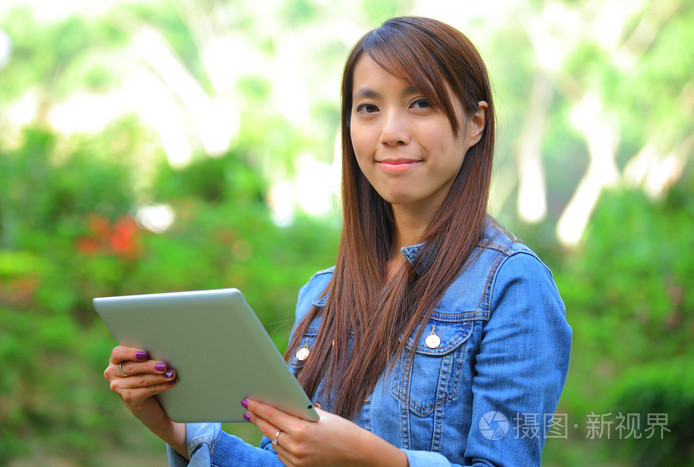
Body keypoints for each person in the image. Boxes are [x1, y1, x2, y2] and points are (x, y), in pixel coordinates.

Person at [105, 16, 572, 466]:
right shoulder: (323, 294)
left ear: (475, 123)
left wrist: (375, 460)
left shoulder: (512, 285)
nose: (390, 133)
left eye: (420, 103)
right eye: (368, 108)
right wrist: (178, 430)